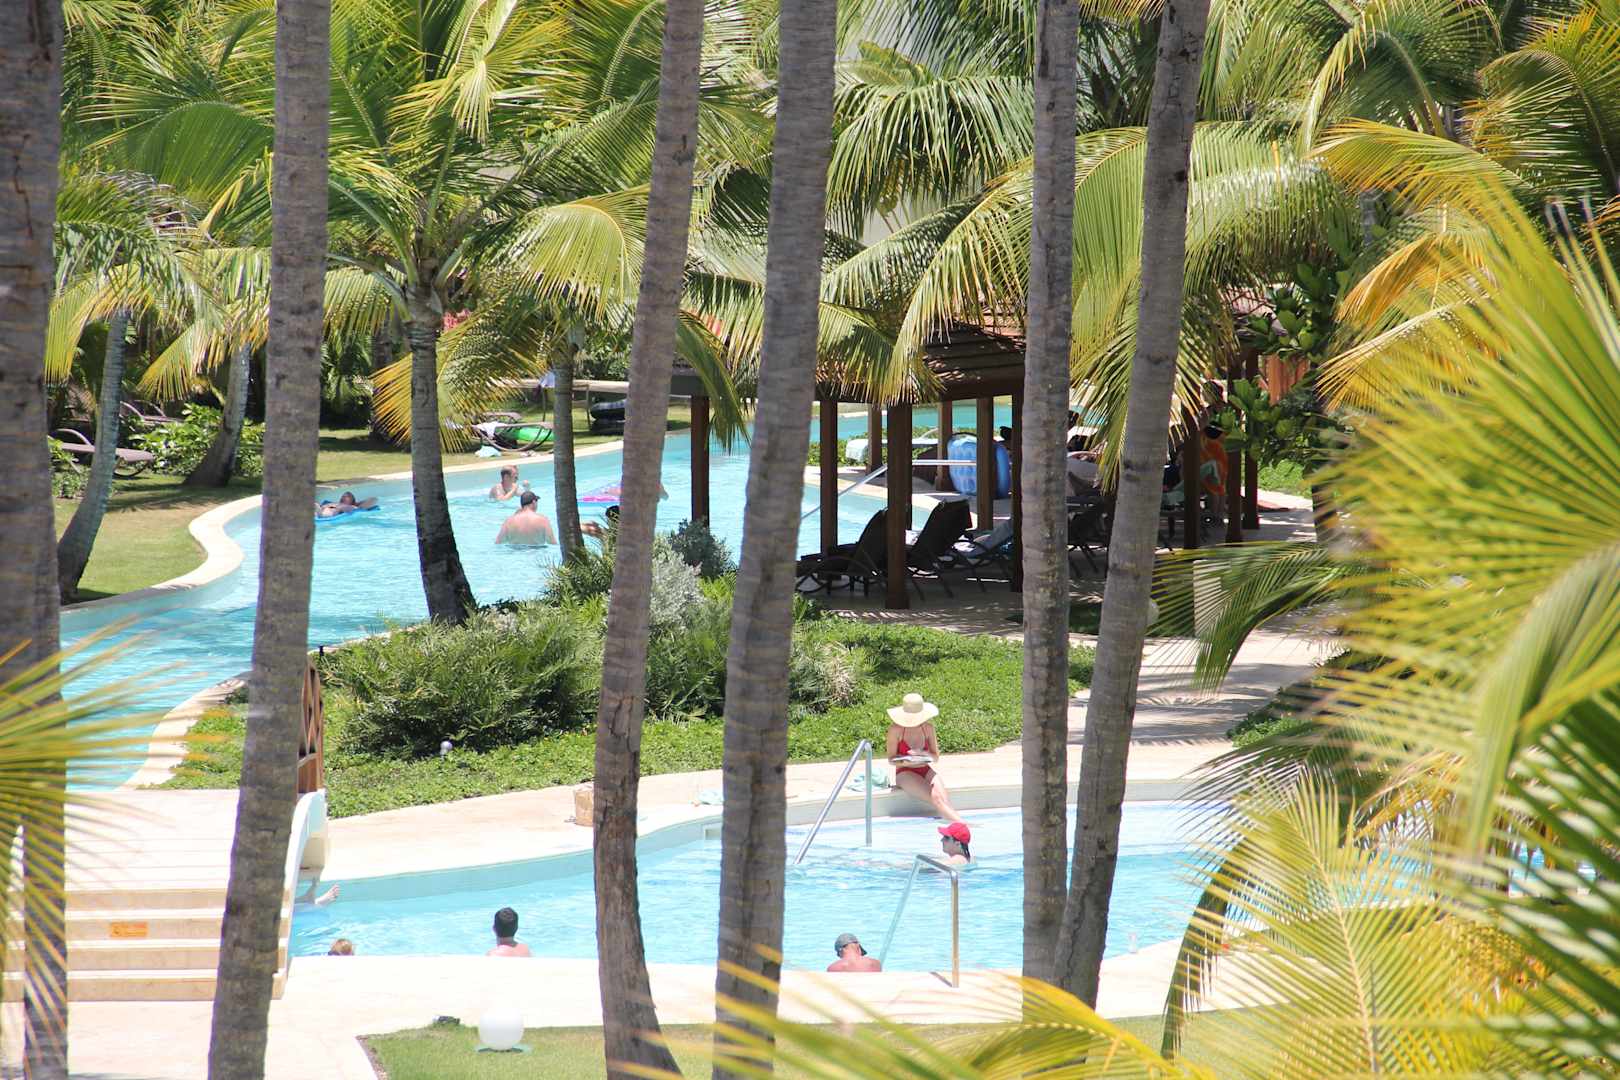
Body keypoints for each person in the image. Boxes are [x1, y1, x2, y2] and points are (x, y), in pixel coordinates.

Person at [885, 693, 963, 824]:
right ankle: (965, 826)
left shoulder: (928, 728)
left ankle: (957, 827)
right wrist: (906, 761)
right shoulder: (896, 730)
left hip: (925, 768)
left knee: (944, 800)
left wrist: (922, 753)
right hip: (905, 772)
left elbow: (935, 757)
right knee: (936, 798)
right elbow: (891, 759)